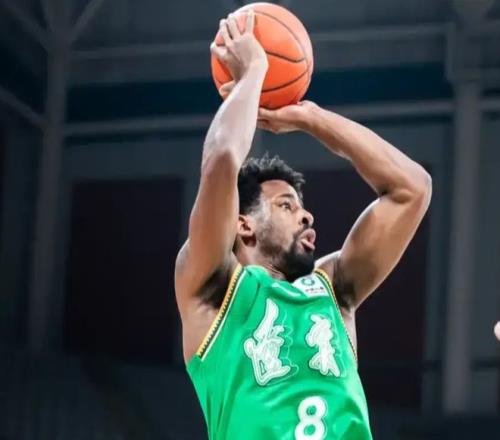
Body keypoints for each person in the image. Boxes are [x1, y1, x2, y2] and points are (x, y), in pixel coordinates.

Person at [174, 10, 432, 440]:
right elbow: (221, 159)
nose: (307, 216)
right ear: (244, 226)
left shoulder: (333, 289)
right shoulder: (213, 289)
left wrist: (311, 118)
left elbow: (413, 188)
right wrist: (254, 71)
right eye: (286, 205)